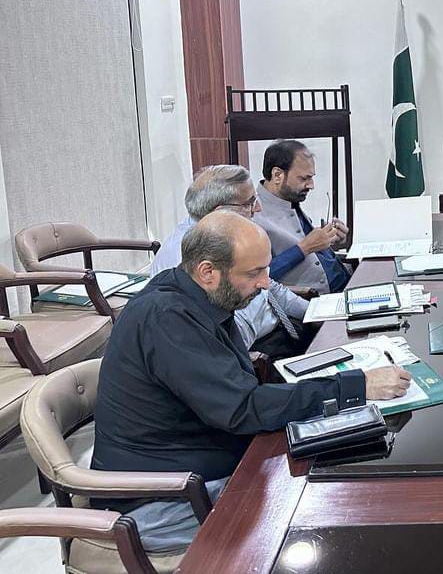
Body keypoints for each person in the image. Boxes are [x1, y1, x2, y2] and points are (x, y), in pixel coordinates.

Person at [91, 211, 411, 552]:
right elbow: (243, 408)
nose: (265, 283)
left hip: (203, 462)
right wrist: (357, 386)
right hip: (161, 500)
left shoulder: (201, 298)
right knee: (317, 517)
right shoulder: (167, 318)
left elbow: (239, 394)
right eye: (254, 272)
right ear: (208, 272)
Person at [151, 164, 316, 358]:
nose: (258, 208)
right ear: (221, 212)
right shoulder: (196, 253)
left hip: (282, 328)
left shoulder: (226, 234)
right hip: (260, 351)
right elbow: (232, 339)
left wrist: (315, 313)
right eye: (250, 202)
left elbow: (271, 288)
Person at [253, 139, 351, 294]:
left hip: (346, 281)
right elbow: (255, 278)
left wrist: (329, 239)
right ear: (277, 175)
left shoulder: (288, 198)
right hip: (317, 298)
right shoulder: (252, 214)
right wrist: (304, 247)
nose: (311, 185)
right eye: (304, 178)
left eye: (311, 177)